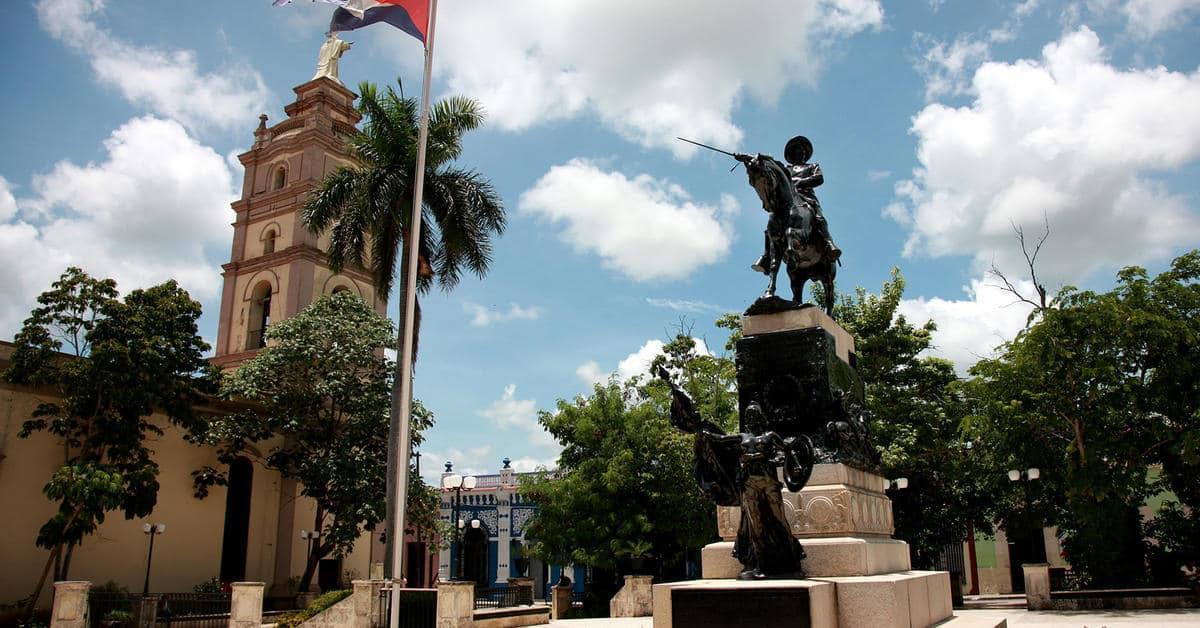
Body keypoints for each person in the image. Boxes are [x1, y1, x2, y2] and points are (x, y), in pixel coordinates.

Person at [743, 135, 840, 274]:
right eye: (797, 150)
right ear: (792, 154)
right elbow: (769, 163)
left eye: (802, 150)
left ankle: (829, 244)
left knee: (819, 217)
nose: (800, 152)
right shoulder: (786, 168)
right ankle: (766, 257)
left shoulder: (812, 166)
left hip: (806, 197)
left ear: (806, 154)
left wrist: (801, 182)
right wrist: (748, 158)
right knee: (772, 223)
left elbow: (819, 178)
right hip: (788, 199)